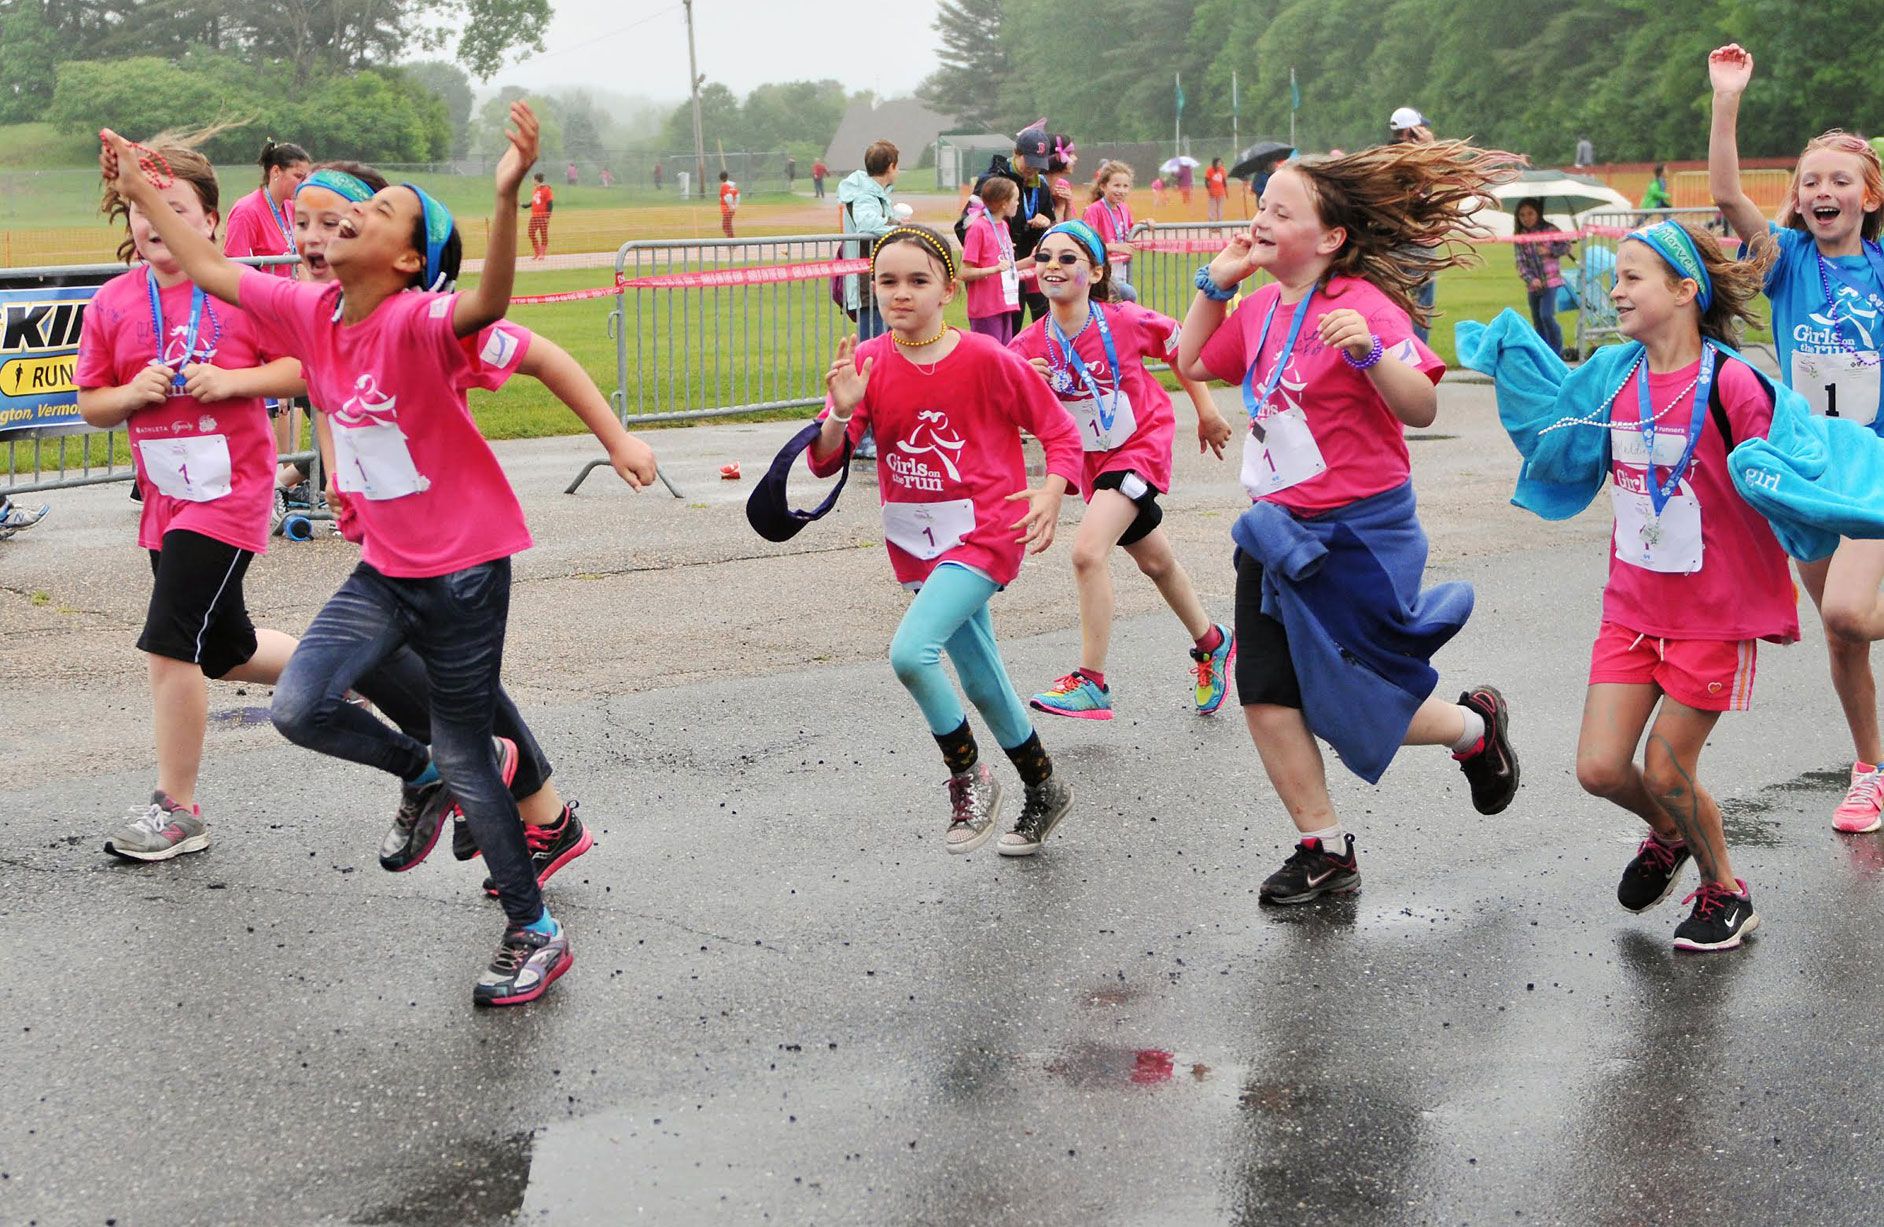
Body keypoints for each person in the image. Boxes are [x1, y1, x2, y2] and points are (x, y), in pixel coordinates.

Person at [101, 103, 639, 1008]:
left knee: (472, 744)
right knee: (301, 706)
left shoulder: (426, 322)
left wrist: (506, 196)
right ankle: (419, 773)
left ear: (404, 257)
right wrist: (139, 187)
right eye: (324, 214)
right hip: (384, 566)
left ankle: (532, 927)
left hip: (465, 569)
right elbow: (202, 261)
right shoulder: (309, 313)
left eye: (377, 209)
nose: (345, 216)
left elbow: (499, 305)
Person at [1173, 142, 1525, 905]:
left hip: (1358, 534)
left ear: (1330, 238)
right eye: (1261, 205)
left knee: (1348, 705)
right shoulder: (1261, 306)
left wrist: (1370, 356)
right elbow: (1191, 359)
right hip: (1272, 531)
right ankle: (1324, 847)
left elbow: (1423, 406)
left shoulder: (1363, 306)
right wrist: (1214, 283)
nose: (1261, 218)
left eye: (1280, 210)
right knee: (1266, 693)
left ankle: (1472, 729)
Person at [290, 161, 626, 891]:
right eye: (302, 222)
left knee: (460, 696)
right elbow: (322, 398)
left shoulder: (423, 320)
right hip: (383, 534)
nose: (314, 238)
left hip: (448, 538)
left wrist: (618, 438)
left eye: (334, 221)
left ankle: (524, 807)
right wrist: (340, 481)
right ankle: (477, 782)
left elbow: (541, 352)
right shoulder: (322, 315)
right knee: (395, 672)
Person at [1463, 219, 1796, 952]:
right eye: (1615, 276)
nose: (1614, 289)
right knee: (1601, 768)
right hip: (1633, 608)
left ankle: (1726, 891)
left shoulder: (1732, 381)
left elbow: (1788, 472)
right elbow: (1558, 424)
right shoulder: (1613, 374)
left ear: (1684, 291)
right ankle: (1670, 832)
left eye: (1632, 276)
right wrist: (1509, 357)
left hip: (1715, 613)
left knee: (1669, 766)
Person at [804, 225, 1083, 856]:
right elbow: (826, 461)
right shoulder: (869, 361)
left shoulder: (989, 359)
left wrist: (1051, 491)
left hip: (984, 533)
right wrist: (842, 413)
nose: (900, 294)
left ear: (949, 290)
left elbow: (1060, 433)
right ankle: (1045, 788)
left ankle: (968, 777)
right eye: (887, 281)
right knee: (982, 678)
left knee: (911, 653)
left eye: (917, 281)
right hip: (913, 541)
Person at [76, 132, 306, 861]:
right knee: (226, 648)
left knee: (170, 639)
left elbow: (302, 369)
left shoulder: (240, 290)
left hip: (229, 495)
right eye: (142, 210)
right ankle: (348, 668)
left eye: (172, 207)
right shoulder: (112, 303)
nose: (154, 223)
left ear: (206, 218)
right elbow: (91, 403)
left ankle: (177, 809)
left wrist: (236, 382)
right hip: (165, 501)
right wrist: (126, 393)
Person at [1709, 42, 1884, 834]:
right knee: (1843, 639)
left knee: (1850, 615)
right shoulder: (1786, 263)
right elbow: (1725, 194)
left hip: (1873, 467)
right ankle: (1870, 771)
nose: (1822, 191)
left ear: (1869, 195)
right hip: (1810, 470)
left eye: (1839, 180)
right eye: (1810, 182)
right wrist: (1727, 98)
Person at [1011, 220, 1237, 721]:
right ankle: (1213, 642)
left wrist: (1206, 411)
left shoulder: (1125, 320)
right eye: (1044, 256)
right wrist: (1027, 384)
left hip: (1139, 446)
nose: (1053, 266)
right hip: (1095, 460)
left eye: (1068, 258)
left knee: (1088, 553)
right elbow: (1005, 414)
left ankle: (1091, 681)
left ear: (1094, 272)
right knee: (1155, 563)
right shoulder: (1025, 346)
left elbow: (1182, 351)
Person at [224, 138, 312, 501]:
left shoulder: (293, 210)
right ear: (275, 173)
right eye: (297, 176)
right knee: (283, 397)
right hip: (262, 322)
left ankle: (284, 479)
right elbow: (233, 268)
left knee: (300, 397)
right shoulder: (247, 210)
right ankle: (276, 480)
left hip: (292, 319)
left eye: (308, 176)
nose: (302, 184)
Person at [838, 141, 901, 461]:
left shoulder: (873, 193)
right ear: (890, 166)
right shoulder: (864, 195)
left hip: (876, 284)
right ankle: (861, 438)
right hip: (867, 287)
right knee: (869, 364)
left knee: (879, 361)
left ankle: (876, 433)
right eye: (897, 164)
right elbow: (866, 225)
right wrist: (897, 226)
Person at [962, 126, 1059, 333]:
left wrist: (1045, 222)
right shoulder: (993, 180)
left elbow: (1052, 221)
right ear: (1016, 153)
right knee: (1003, 335)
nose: (1033, 169)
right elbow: (966, 224)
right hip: (997, 275)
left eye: (1038, 165)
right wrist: (993, 248)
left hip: (1027, 264)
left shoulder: (1039, 184)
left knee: (1037, 327)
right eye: (1029, 162)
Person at [1388, 109, 1440, 343]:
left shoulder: (1384, 155)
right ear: (1412, 131)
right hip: (1416, 246)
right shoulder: (1416, 159)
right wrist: (1430, 148)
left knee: (1393, 307)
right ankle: (1419, 364)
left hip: (1388, 246)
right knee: (1421, 307)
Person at [960, 178, 1026, 344]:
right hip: (986, 308)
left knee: (1004, 355)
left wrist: (1032, 260)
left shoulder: (1003, 225)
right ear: (1004, 203)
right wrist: (993, 270)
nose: (1018, 203)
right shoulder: (978, 228)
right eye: (1015, 199)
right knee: (989, 358)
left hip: (1005, 304)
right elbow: (964, 272)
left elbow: (1007, 267)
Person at [1512, 197, 1573, 357]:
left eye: (1530, 213)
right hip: (1534, 285)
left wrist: (1549, 250)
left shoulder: (1550, 229)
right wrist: (1531, 279)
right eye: (1522, 215)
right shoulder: (1520, 236)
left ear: (1538, 213)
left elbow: (1566, 245)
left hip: (1551, 281)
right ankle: (1543, 352)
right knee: (1537, 320)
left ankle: (1556, 349)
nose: (1526, 218)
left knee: (1546, 315)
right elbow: (1520, 263)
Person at [1082, 160, 1139, 303]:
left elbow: (1130, 231)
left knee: (1120, 306)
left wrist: (1144, 225)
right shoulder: (1094, 210)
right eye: (1116, 185)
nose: (1121, 190)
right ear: (1103, 186)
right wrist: (1115, 247)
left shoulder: (1124, 209)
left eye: (1125, 186)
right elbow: (1088, 244)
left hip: (1121, 269)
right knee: (1128, 294)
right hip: (1101, 271)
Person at [1048, 133, 1080, 222]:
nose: (1075, 158)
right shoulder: (1037, 186)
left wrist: (1068, 204)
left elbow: (1070, 226)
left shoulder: (1063, 185)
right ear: (1056, 156)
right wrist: (1060, 207)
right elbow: (1048, 232)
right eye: (1070, 154)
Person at [523, 172, 552, 260]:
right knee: (531, 233)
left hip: (543, 216)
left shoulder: (547, 189)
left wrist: (547, 216)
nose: (532, 181)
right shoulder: (536, 189)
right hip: (534, 216)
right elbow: (535, 201)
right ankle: (537, 252)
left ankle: (542, 254)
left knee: (543, 234)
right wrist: (525, 205)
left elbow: (550, 203)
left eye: (533, 179)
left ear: (536, 180)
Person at [1205, 156, 1229, 222]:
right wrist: (1209, 190)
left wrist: (1226, 192)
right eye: (1218, 162)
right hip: (1212, 193)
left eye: (1220, 162)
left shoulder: (1222, 170)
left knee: (1220, 209)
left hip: (1221, 192)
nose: (1220, 163)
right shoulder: (1209, 170)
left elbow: (1224, 182)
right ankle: (1211, 224)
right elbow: (1206, 181)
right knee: (1212, 209)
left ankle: (1220, 224)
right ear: (1215, 163)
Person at [718, 170, 739, 238]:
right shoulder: (732, 185)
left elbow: (728, 196)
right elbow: (737, 196)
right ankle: (731, 241)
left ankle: (732, 242)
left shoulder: (724, 186)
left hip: (727, 209)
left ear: (720, 178)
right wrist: (735, 206)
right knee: (727, 225)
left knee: (726, 226)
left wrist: (730, 207)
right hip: (730, 208)